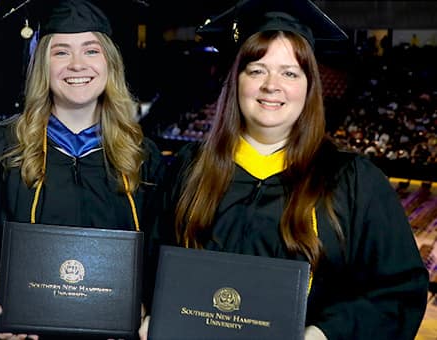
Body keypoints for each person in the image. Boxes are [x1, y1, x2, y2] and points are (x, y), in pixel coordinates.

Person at [149, 0, 429, 339]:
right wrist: (153, 310)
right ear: (235, 81)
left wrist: (325, 333)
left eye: (290, 72)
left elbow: (397, 293)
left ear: (309, 86)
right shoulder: (187, 170)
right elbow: (151, 265)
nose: (272, 85)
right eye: (256, 70)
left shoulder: (355, 184)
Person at [0, 0, 162, 338]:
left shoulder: (141, 157)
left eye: (91, 50)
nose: (77, 65)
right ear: (42, 64)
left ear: (110, 61)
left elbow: (161, 257)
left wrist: (150, 307)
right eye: (61, 52)